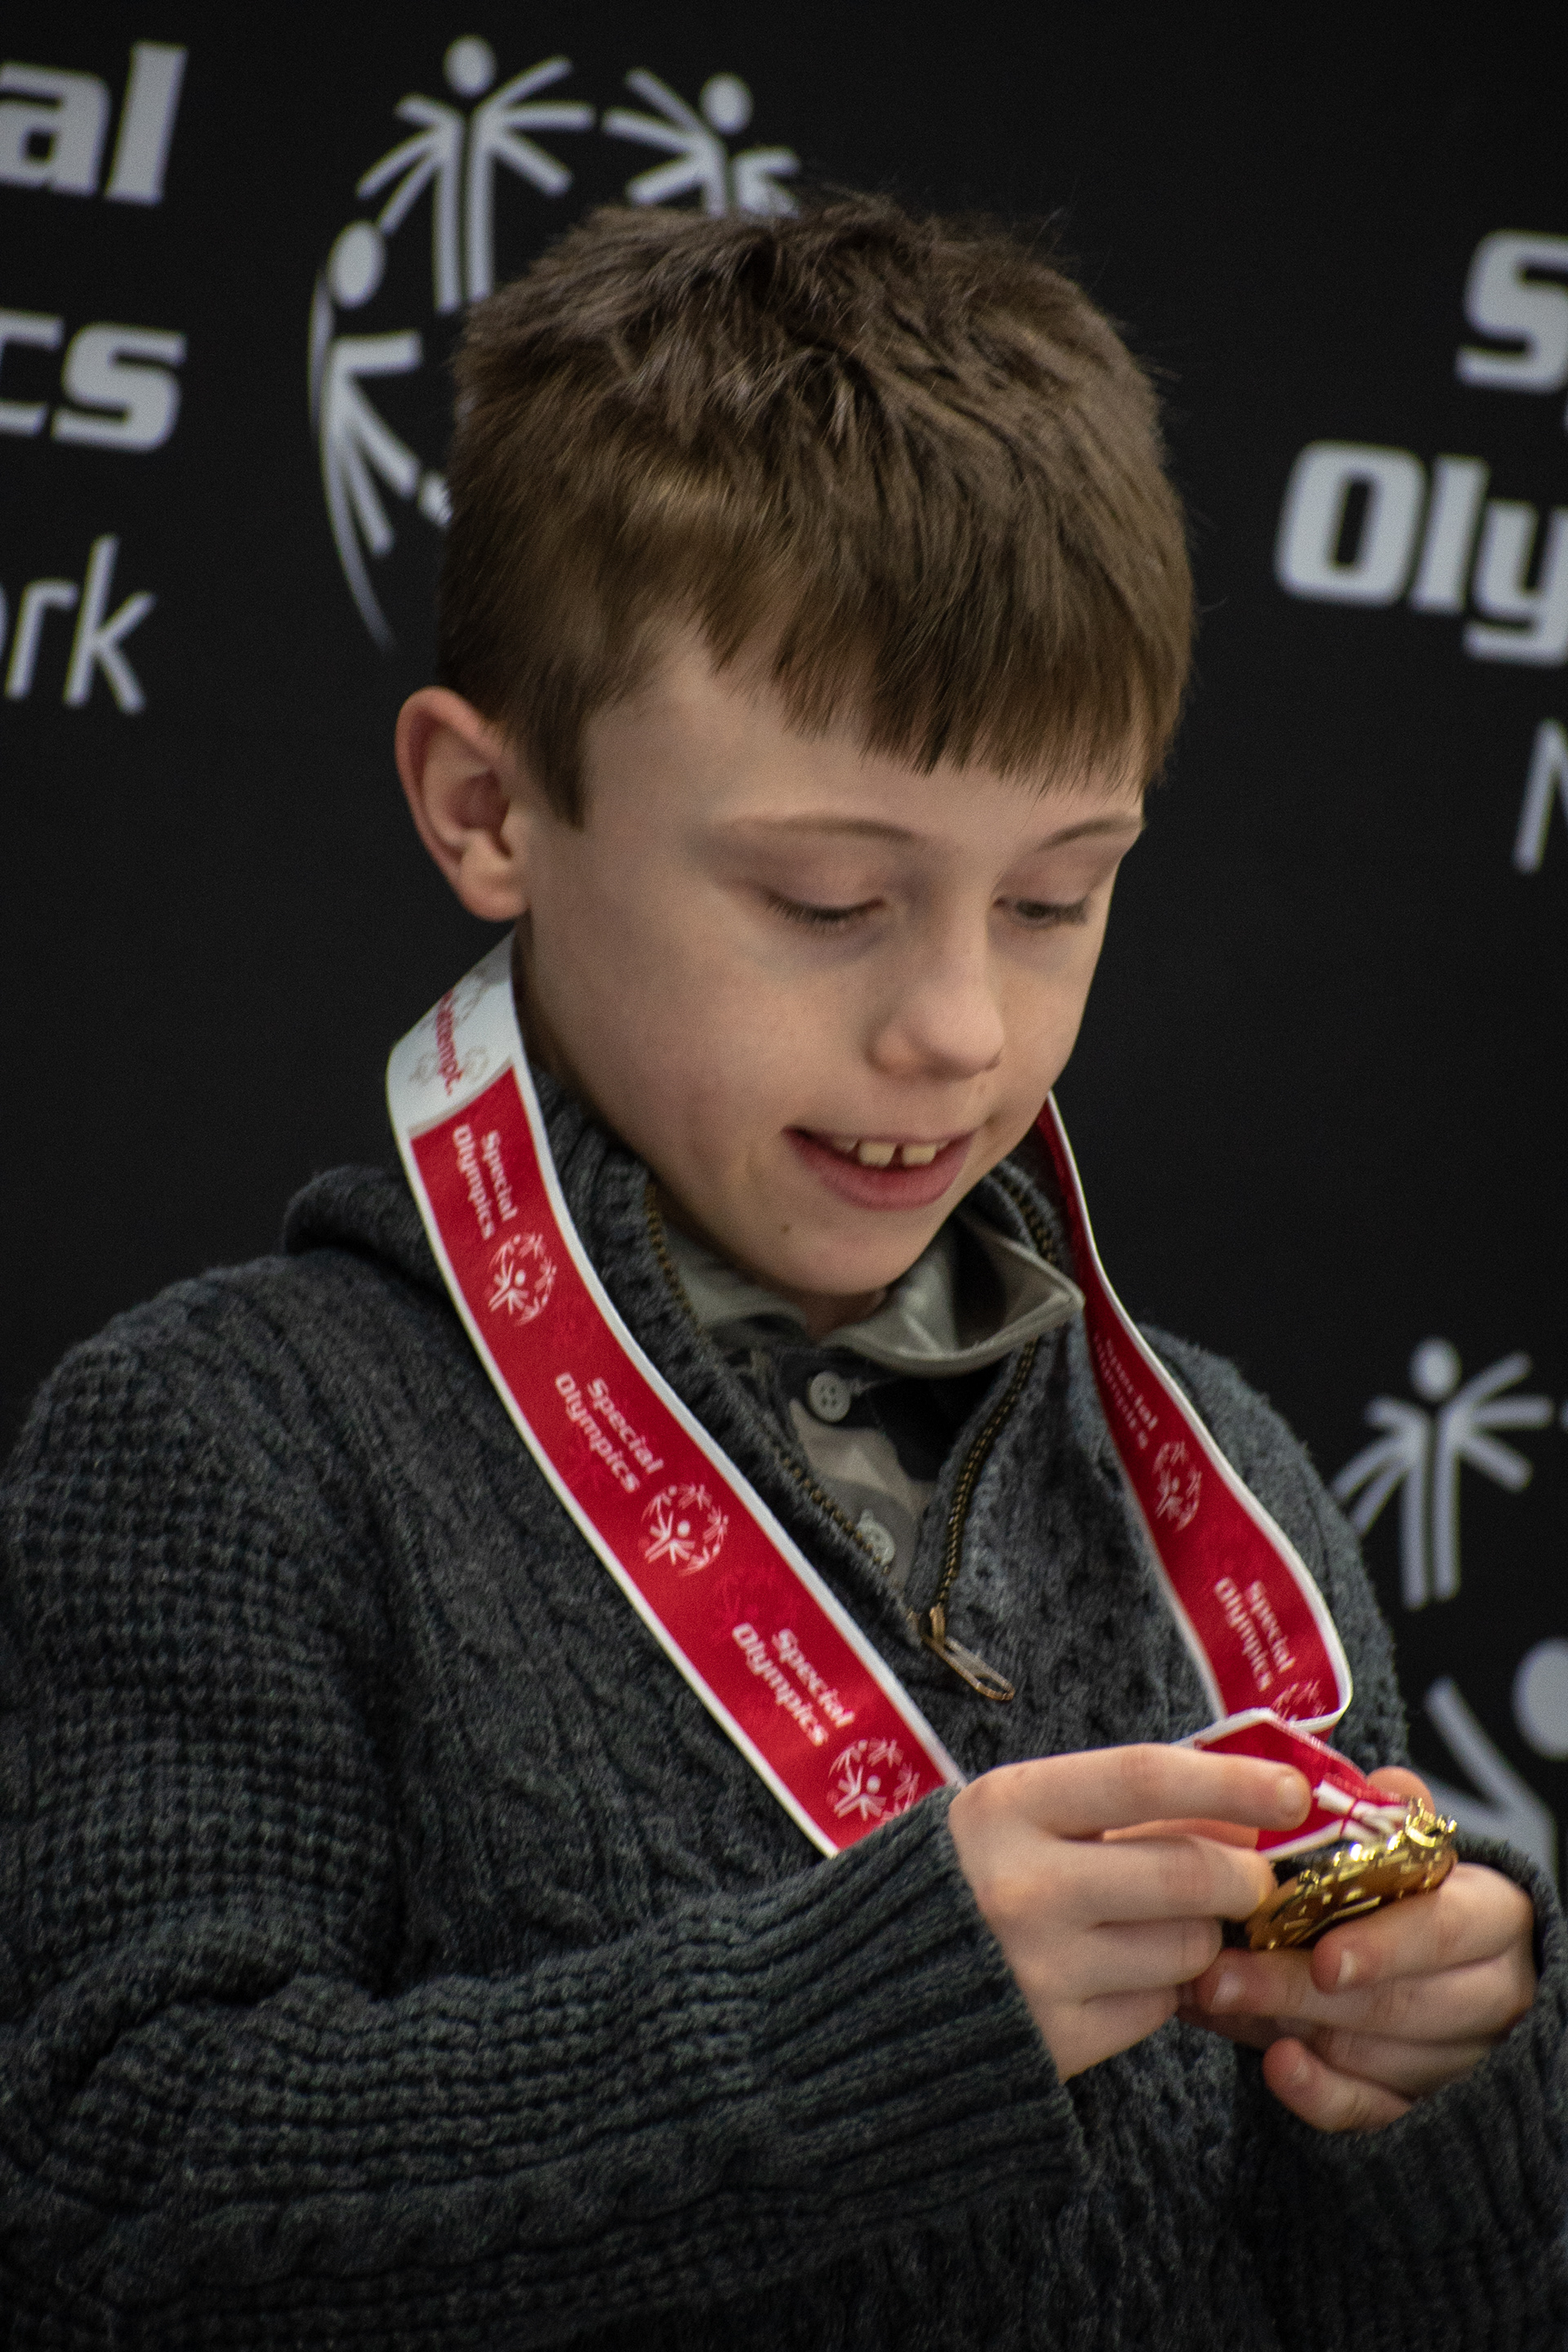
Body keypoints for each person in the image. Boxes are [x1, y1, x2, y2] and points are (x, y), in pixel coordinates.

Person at [1, 197, 1561, 2350]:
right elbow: (114, 2198)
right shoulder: (230, 1447)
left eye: (1058, 900)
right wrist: (878, 2013)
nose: (957, 1029)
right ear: (488, 807)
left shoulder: (1235, 1492)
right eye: (830, 898)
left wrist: (1440, 2088)